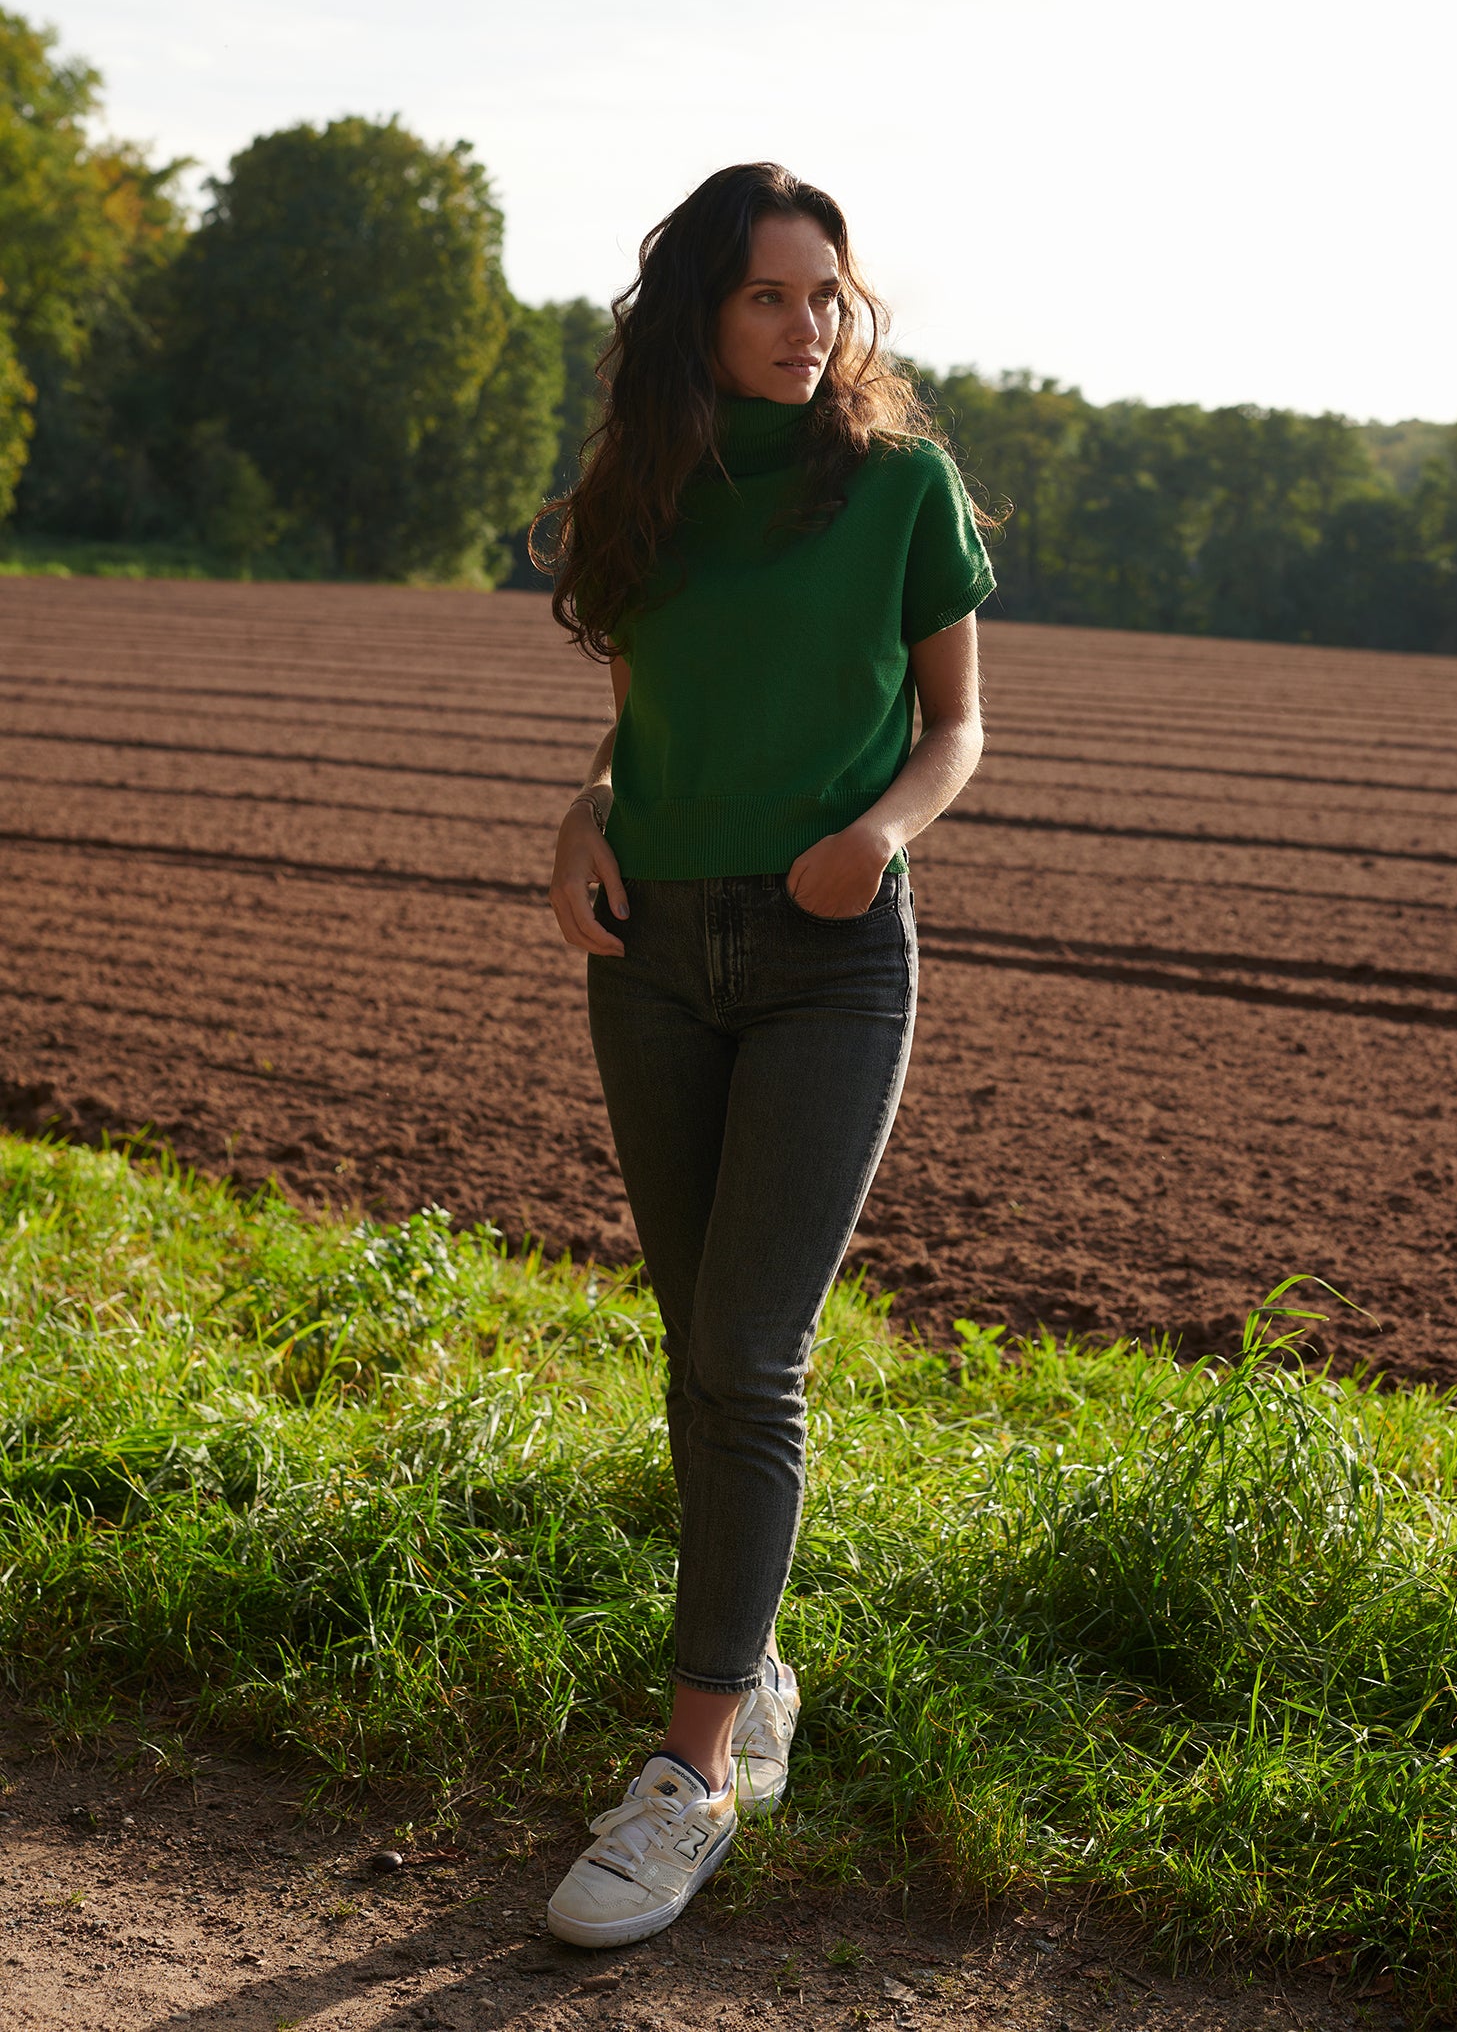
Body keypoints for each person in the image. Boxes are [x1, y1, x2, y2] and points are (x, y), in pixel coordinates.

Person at [538, 161, 994, 1949]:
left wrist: (880, 835)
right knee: (699, 1351)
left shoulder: (897, 487)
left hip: (826, 959)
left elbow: (954, 722)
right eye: (767, 298)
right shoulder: (647, 491)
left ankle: (689, 1772)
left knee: (749, 1347)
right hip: (651, 952)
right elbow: (646, 718)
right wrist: (580, 812)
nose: (810, 328)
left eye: (828, 295)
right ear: (697, 318)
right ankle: (753, 1675)